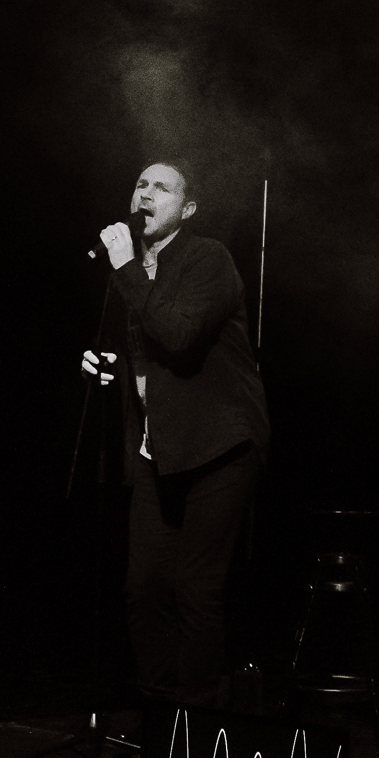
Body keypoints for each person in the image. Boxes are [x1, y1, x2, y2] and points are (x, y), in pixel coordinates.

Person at [82, 160, 270, 708]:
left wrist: (126, 269)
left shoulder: (207, 258)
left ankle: (200, 721)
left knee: (196, 587)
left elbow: (180, 334)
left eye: (161, 187)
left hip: (219, 445)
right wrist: (109, 365)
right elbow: (147, 358)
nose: (145, 193)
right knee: (143, 588)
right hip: (159, 448)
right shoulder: (131, 272)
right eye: (140, 183)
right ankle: (161, 717)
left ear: (186, 209)